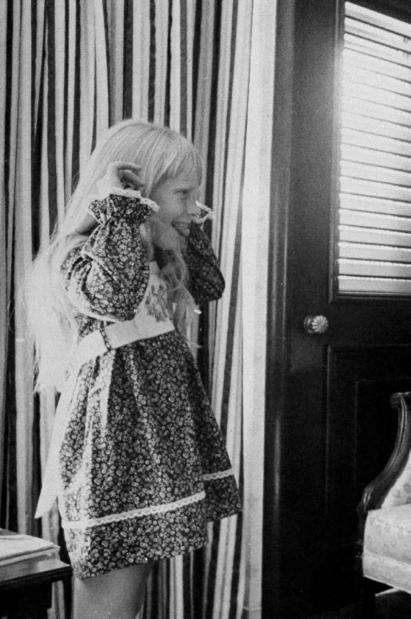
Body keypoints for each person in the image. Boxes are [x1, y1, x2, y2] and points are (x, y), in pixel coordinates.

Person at [24, 119, 241, 618]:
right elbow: (115, 300)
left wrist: (186, 224)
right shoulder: (81, 258)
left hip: (154, 441)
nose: (192, 208)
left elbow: (211, 284)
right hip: (115, 448)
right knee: (111, 600)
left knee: (133, 585)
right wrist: (122, 209)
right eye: (184, 194)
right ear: (134, 192)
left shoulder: (153, 259)